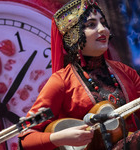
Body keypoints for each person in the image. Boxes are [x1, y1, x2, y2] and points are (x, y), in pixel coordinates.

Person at [18, 0, 140, 150]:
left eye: (103, 22)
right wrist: (59, 137)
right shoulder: (61, 82)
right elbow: (26, 137)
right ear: (73, 35)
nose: (102, 29)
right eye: (91, 25)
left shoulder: (126, 72)